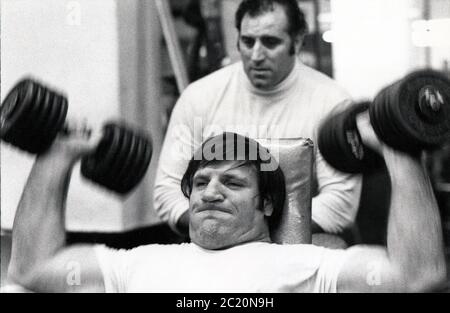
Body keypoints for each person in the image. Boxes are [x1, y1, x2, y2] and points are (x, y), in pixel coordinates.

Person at [6, 115, 447, 292]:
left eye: (232, 183)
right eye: (200, 183)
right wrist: (57, 157)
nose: (210, 192)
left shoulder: (310, 265)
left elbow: (419, 276)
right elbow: (30, 268)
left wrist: (395, 149)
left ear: (268, 204)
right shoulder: (140, 263)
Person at [154, 0, 362, 241]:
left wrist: (255, 231)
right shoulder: (199, 97)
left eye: (270, 42)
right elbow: (166, 191)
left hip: (300, 243)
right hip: (216, 243)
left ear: (296, 40)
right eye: (248, 41)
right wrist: (223, 230)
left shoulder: (332, 103)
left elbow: (340, 203)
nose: (256, 55)